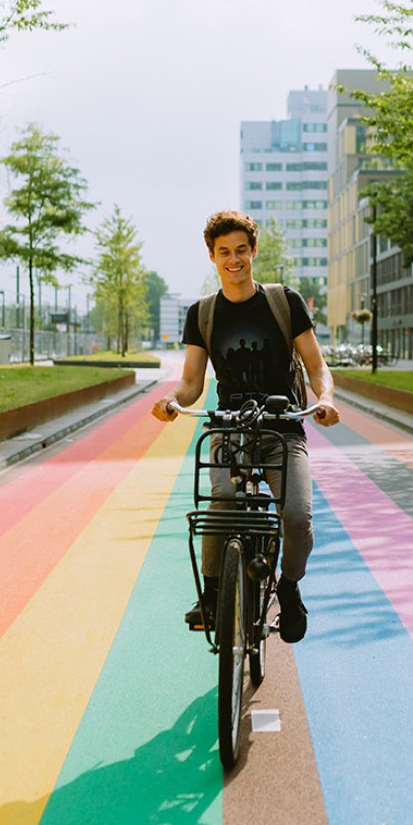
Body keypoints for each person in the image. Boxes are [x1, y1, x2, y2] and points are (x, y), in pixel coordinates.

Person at [151, 209, 340, 642]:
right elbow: (192, 383)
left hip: (282, 428)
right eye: (224, 252)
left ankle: (289, 588)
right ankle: (213, 593)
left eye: (241, 250)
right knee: (222, 500)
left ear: (253, 251)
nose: (233, 259)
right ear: (212, 258)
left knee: (296, 517)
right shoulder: (203, 313)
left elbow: (316, 365)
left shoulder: (284, 302)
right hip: (229, 427)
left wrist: (325, 398)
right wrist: (171, 401)